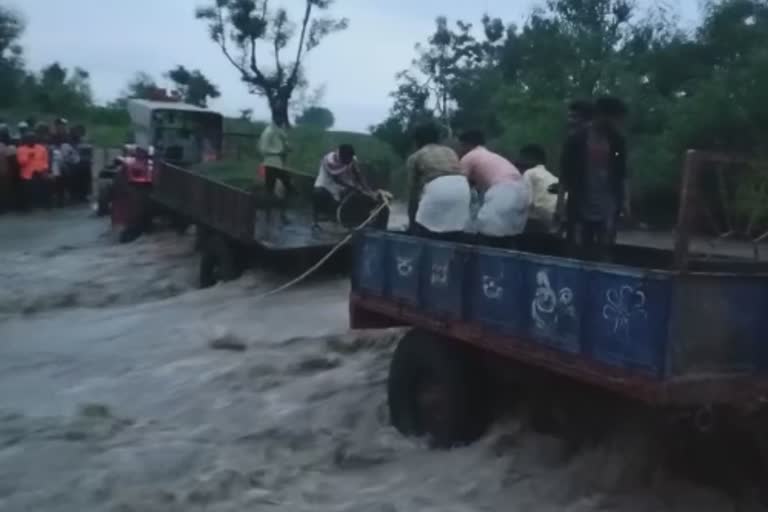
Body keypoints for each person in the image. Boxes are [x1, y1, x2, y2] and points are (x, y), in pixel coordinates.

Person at [558, 96, 629, 259]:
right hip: (581, 201)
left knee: (604, 248)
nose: (617, 123)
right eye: (615, 119)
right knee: (577, 249)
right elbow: (565, 175)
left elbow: (622, 173)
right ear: (603, 116)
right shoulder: (576, 140)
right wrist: (560, 206)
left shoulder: (617, 141)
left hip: (608, 204)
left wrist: (625, 203)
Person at [459, 130, 530, 244]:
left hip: (504, 190)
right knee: (508, 238)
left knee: (486, 234)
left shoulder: (469, 157)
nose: (460, 150)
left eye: (461, 146)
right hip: (523, 190)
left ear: (467, 144)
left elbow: (460, 186)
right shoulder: (491, 156)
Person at [406, 122, 471, 240]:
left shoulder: (416, 156)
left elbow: (413, 195)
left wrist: (412, 225)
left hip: (438, 187)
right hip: (463, 188)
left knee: (424, 229)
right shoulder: (450, 151)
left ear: (417, 141)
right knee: (452, 229)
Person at [312, 144, 373, 226]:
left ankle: (352, 219)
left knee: (357, 196)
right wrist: (353, 187)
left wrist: (368, 190)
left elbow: (359, 175)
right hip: (326, 183)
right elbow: (336, 179)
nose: (349, 161)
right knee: (319, 193)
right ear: (342, 156)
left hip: (344, 181)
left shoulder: (351, 159)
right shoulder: (329, 161)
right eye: (347, 159)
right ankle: (317, 220)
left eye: (350, 159)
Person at [519, 144, 559, 233]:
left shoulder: (529, 173)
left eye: (519, 165)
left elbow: (525, 203)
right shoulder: (551, 178)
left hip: (547, 222)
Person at [257, 118, 294, 200]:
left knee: (275, 186)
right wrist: (278, 152)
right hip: (272, 162)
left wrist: (287, 147)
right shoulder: (269, 132)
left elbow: (285, 144)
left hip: (278, 162)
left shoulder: (279, 132)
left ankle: (273, 203)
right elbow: (263, 149)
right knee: (277, 185)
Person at [16, 133, 51, 210]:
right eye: (29, 139)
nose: (31, 140)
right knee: (28, 184)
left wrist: (45, 170)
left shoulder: (42, 148)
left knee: (48, 181)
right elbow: (21, 163)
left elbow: (45, 161)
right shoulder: (21, 149)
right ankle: (27, 206)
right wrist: (28, 157)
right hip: (27, 173)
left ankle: (47, 204)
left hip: (41, 171)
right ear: (26, 140)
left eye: (33, 138)